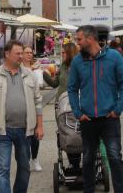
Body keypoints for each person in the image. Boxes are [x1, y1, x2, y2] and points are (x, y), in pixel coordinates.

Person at [68, 25, 123, 193]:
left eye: (79, 39)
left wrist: (118, 109)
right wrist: (78, 113)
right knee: (87, 159)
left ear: (90, 38)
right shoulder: (77, 61)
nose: (77, 42)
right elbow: (72, 88)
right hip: (88, 119)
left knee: (115, 157)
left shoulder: (114, 57)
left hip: (110, 118)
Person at [0, 41, 44, 193]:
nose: (21, 56)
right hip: (2, 131)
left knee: (24, 168)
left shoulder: (30, 75)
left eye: (22, 53)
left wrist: (40, 125)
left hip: (25, 130)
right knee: (2, 169)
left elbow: (38, 101)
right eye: (18, 53)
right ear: (7, 54)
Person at [43, 42, 81, 171]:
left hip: (77, 104)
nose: (61, 55)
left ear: (70, 53)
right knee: (66, 132)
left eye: (63, 52)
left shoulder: (80, 66)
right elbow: (54, 84)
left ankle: (82, 159)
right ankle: (73, 162)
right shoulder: (63, 67)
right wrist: (45, 73)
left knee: (79, 132)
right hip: (62, 105)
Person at [22, 45, 44, 172]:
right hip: (21, 109)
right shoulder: (18, 70)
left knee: (35, 136)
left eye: (31, 53)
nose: (29, 55)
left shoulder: (35, 71)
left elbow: (39, 90)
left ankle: (34, 159)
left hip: (34, 107)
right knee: (24, 137)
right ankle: (25, 159)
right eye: (27, 52)